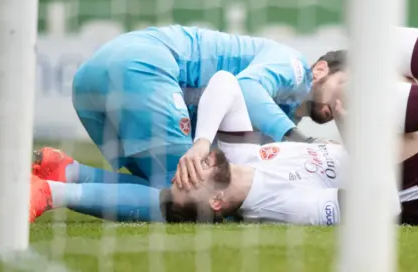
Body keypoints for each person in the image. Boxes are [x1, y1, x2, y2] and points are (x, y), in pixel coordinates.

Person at [29, 38, 418, 225]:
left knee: (376, 45)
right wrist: (353, 129)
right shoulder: (279, 204)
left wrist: (204, 142)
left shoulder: (249, 157)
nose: (190, 168)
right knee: (358, 95)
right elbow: (373, 202)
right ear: (218, 203)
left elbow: (229, 85)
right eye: (192, 180)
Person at [57, 25, 347, 189]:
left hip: (91, 80)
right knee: (189, 193)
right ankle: (61, 181)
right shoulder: (295, 68)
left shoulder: (275, 114)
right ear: (320, 69)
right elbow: (245, 87)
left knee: (165, 188)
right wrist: (300, 142)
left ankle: (60, 171)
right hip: (145, 67)